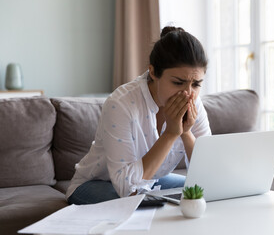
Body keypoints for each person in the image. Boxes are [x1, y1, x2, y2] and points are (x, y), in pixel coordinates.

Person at [66, 26, 211, 205]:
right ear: (153, 72)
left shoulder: (194, 102)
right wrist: (171, 133)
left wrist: (186, 132)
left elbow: (208, 174)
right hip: (98, 183)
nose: (187, 93)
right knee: (140, 205)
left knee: (204, 193)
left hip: (150, 181)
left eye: (196, 84)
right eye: (178, 82)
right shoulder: (121, 104)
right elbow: (127, 187)